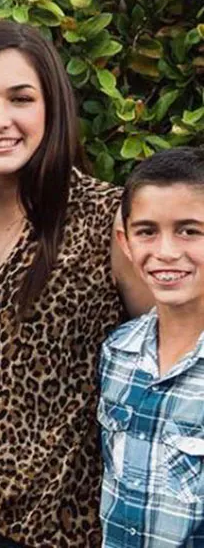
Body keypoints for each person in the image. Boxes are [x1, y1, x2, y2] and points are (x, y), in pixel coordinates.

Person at [0, 20, 151, 547]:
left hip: (61, 533)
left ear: (52, 107)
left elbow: (168, 362)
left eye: (20, 98)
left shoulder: (108, 220)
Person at [99, 146, 204, 546]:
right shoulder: (117, 353)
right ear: (126, 243)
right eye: (147, 231)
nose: (165, 252)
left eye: (189, 230)